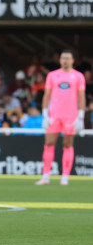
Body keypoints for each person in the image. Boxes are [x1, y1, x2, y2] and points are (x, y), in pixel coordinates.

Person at [36, 50, 86, 186]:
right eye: (63, 58)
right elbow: (47, 95)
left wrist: (80, 117)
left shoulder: (78, 76)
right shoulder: (52, 75)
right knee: (49, 143)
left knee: (68, 144)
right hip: (54, 115)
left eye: (68, 58)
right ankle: (46, 176)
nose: (65, 60)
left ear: (72, 60)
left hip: (71, 117)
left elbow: (82, 97)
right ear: (60, 60)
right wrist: (45, 115)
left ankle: (65, 177)